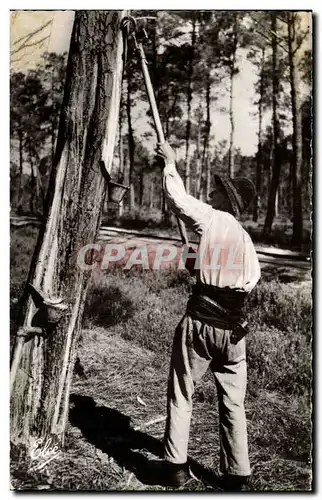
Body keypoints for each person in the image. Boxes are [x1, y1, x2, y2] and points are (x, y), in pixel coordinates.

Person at [153, 142, 261, 491]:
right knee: (233, 403)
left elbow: (179, 200)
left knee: (182, 393)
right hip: (233, 335)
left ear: (227, 201)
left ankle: (175, 467)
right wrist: (198, 263)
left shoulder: (213, 218)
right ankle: (237, 474)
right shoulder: (245, 240)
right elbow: (244, 285)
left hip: (200, 325)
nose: (212, 192)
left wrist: (170, 164)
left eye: (217, 190)